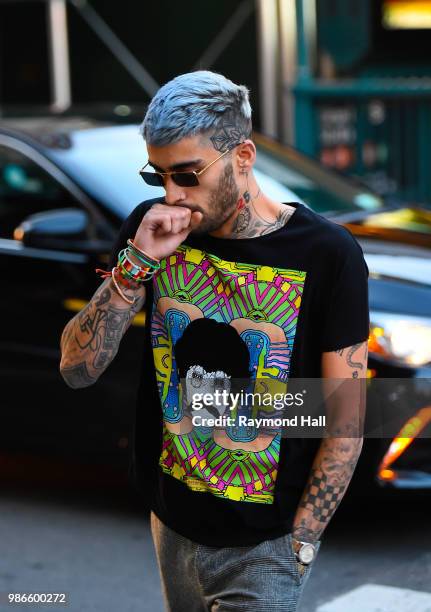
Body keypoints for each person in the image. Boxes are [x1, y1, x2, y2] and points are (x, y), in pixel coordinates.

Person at [59, 70, 369, 611]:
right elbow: (76, 370)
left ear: (242, 157)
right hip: (172, 525)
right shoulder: (150, 232)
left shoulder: (326, 254)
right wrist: (133, 270)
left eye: (187, 174)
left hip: (264, 548)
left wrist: (299, 542)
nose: (174, 195)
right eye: (158, 176)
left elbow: (345, 420)